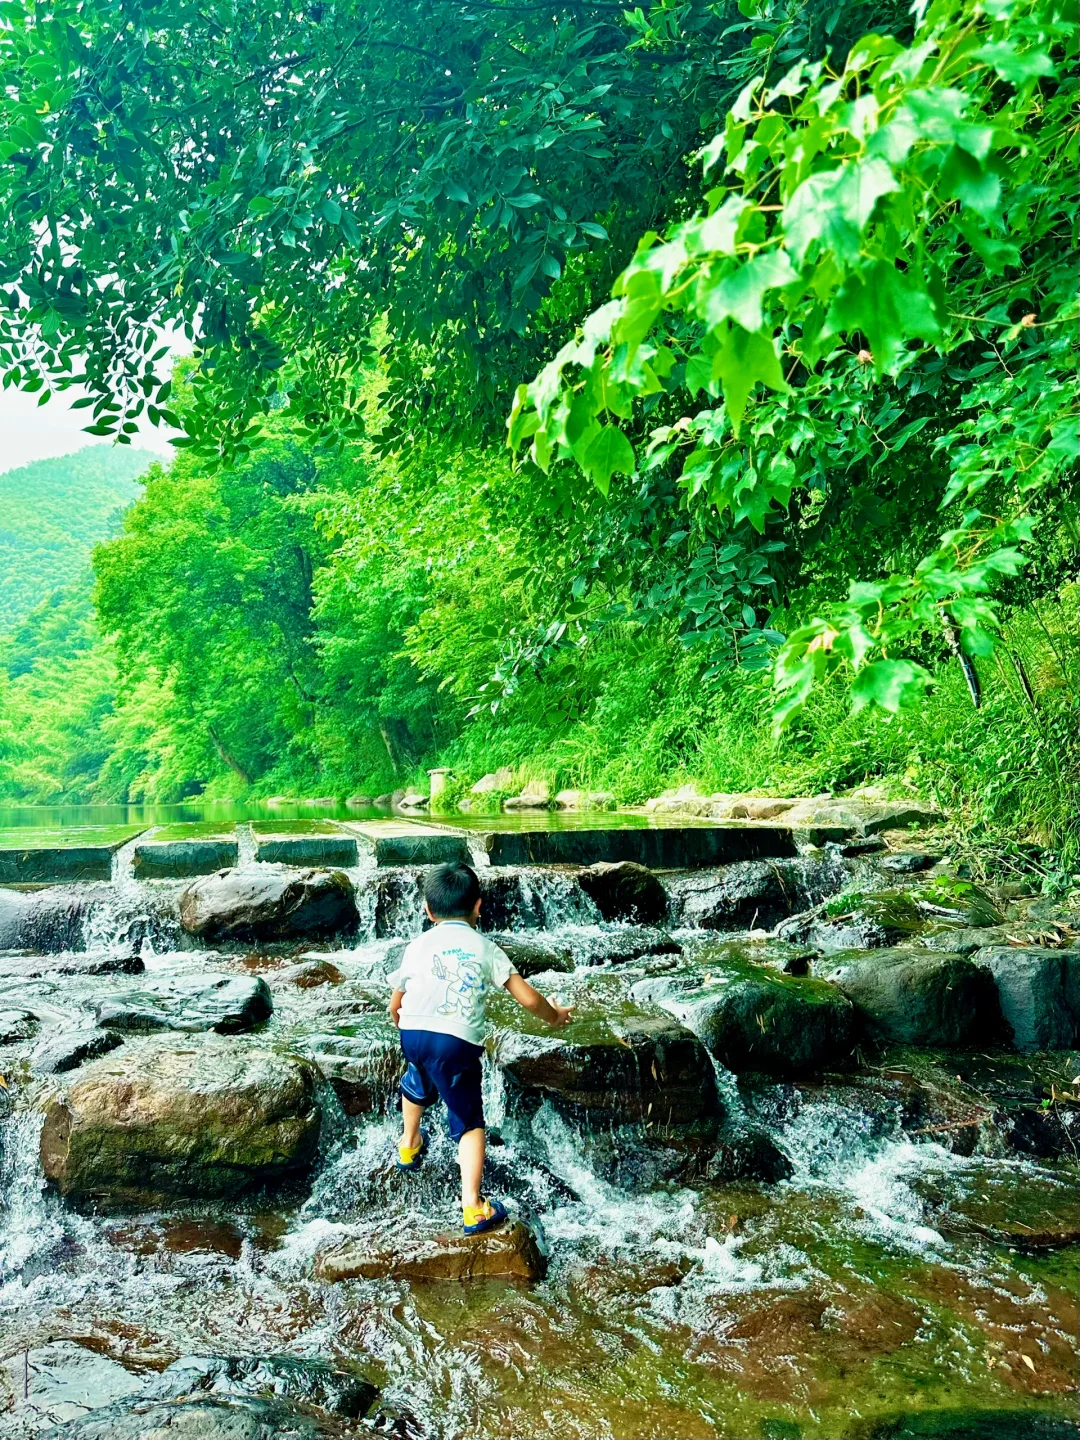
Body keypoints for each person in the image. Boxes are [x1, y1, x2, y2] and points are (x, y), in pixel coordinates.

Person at [387, 861, 573, 1235]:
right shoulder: (486, 948)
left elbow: (396, 1001)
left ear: (427, 910)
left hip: (413, 1031)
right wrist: (553, 1016)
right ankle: (472, 1206)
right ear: (478, 906)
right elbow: (527, 998)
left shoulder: (417, 945)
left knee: (417, 1078)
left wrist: (402, 1025)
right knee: (470, 1122)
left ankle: (408, 1144)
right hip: (454, 1043)